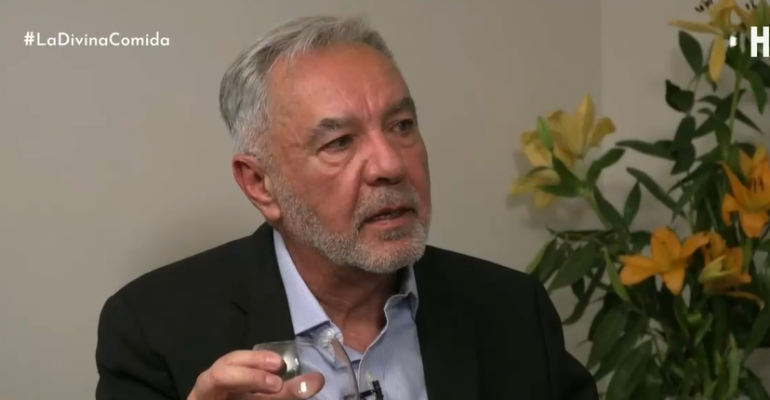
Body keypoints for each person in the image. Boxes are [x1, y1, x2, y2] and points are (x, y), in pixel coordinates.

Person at [94, 15, 598, 400]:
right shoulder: (155, 328)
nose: (389, 165)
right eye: (339, 142)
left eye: (401, 126)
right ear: (261, 185)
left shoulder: (512, 311)